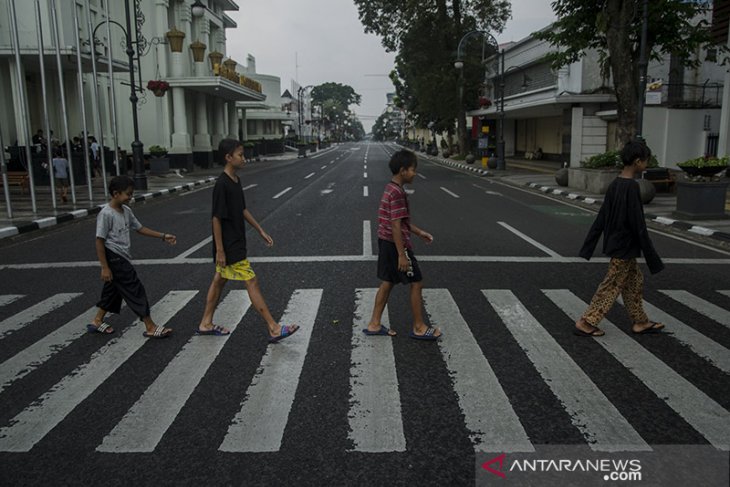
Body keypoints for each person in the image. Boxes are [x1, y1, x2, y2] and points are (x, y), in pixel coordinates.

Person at [197, 138, 299, 342]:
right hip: (229, 244)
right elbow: (216, 218)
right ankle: (273, 327)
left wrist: (260, 229)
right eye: (240, 155)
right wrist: (220, 250)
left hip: (237, 239)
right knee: (251, 280)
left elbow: (242, 209)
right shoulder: (222, 184)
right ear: (228, 157)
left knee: (219, 281)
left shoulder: (235, 180)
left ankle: (205, 323)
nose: (244, 158)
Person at [575, 139, 665, 337]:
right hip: (624, 246)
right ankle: (586, 321)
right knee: (612, 285)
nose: (646, 164)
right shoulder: (631, 187)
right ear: (637, 161)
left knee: (634, 281)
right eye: (646, 161)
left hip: (617, 243)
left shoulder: (615, 184)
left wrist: (589, 245)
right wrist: (652, 257)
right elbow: (638, 224)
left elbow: (602, 217)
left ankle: (640, 321)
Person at [364, 149, 441, 340]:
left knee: (388, 281)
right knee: (416, 282)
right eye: (413, 170)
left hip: (385, 241)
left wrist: (419, 232)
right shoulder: (397, 193)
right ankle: (419, 327)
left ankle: (374, 324)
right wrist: (401, 254)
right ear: (402, 170)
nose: (415, 173)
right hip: (395, 245)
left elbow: (401, 220)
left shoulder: (390, 188)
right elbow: (396, 225)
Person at [89, 175, 176, 338]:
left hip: (121, 256)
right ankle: (150, 326)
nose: (130, 197)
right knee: (134, 289)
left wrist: (163, 236)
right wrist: (105, 267)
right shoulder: (106, 214)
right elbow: (99, 241)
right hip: (114, 257)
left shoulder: (126, 211)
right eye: (128, 194)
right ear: (116, 193)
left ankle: (97, 320)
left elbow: (140, 228)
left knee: (113, 290)